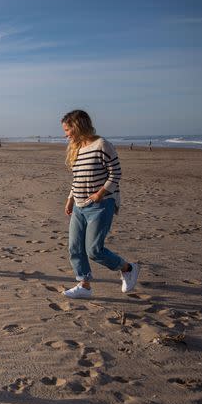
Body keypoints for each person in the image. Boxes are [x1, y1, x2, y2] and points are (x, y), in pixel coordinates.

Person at [60, 110, 140, 299]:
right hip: (79, 205)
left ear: (78, 126)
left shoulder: (102, 145)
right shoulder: (76, 148)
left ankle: (128, 268)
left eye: (67, 129)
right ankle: (84, 285)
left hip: (101, 204)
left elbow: (116, 173)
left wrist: (100, 193)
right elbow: (77, 178)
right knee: (74, 247)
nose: (66, 134)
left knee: (94, 250)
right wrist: (70, 199)